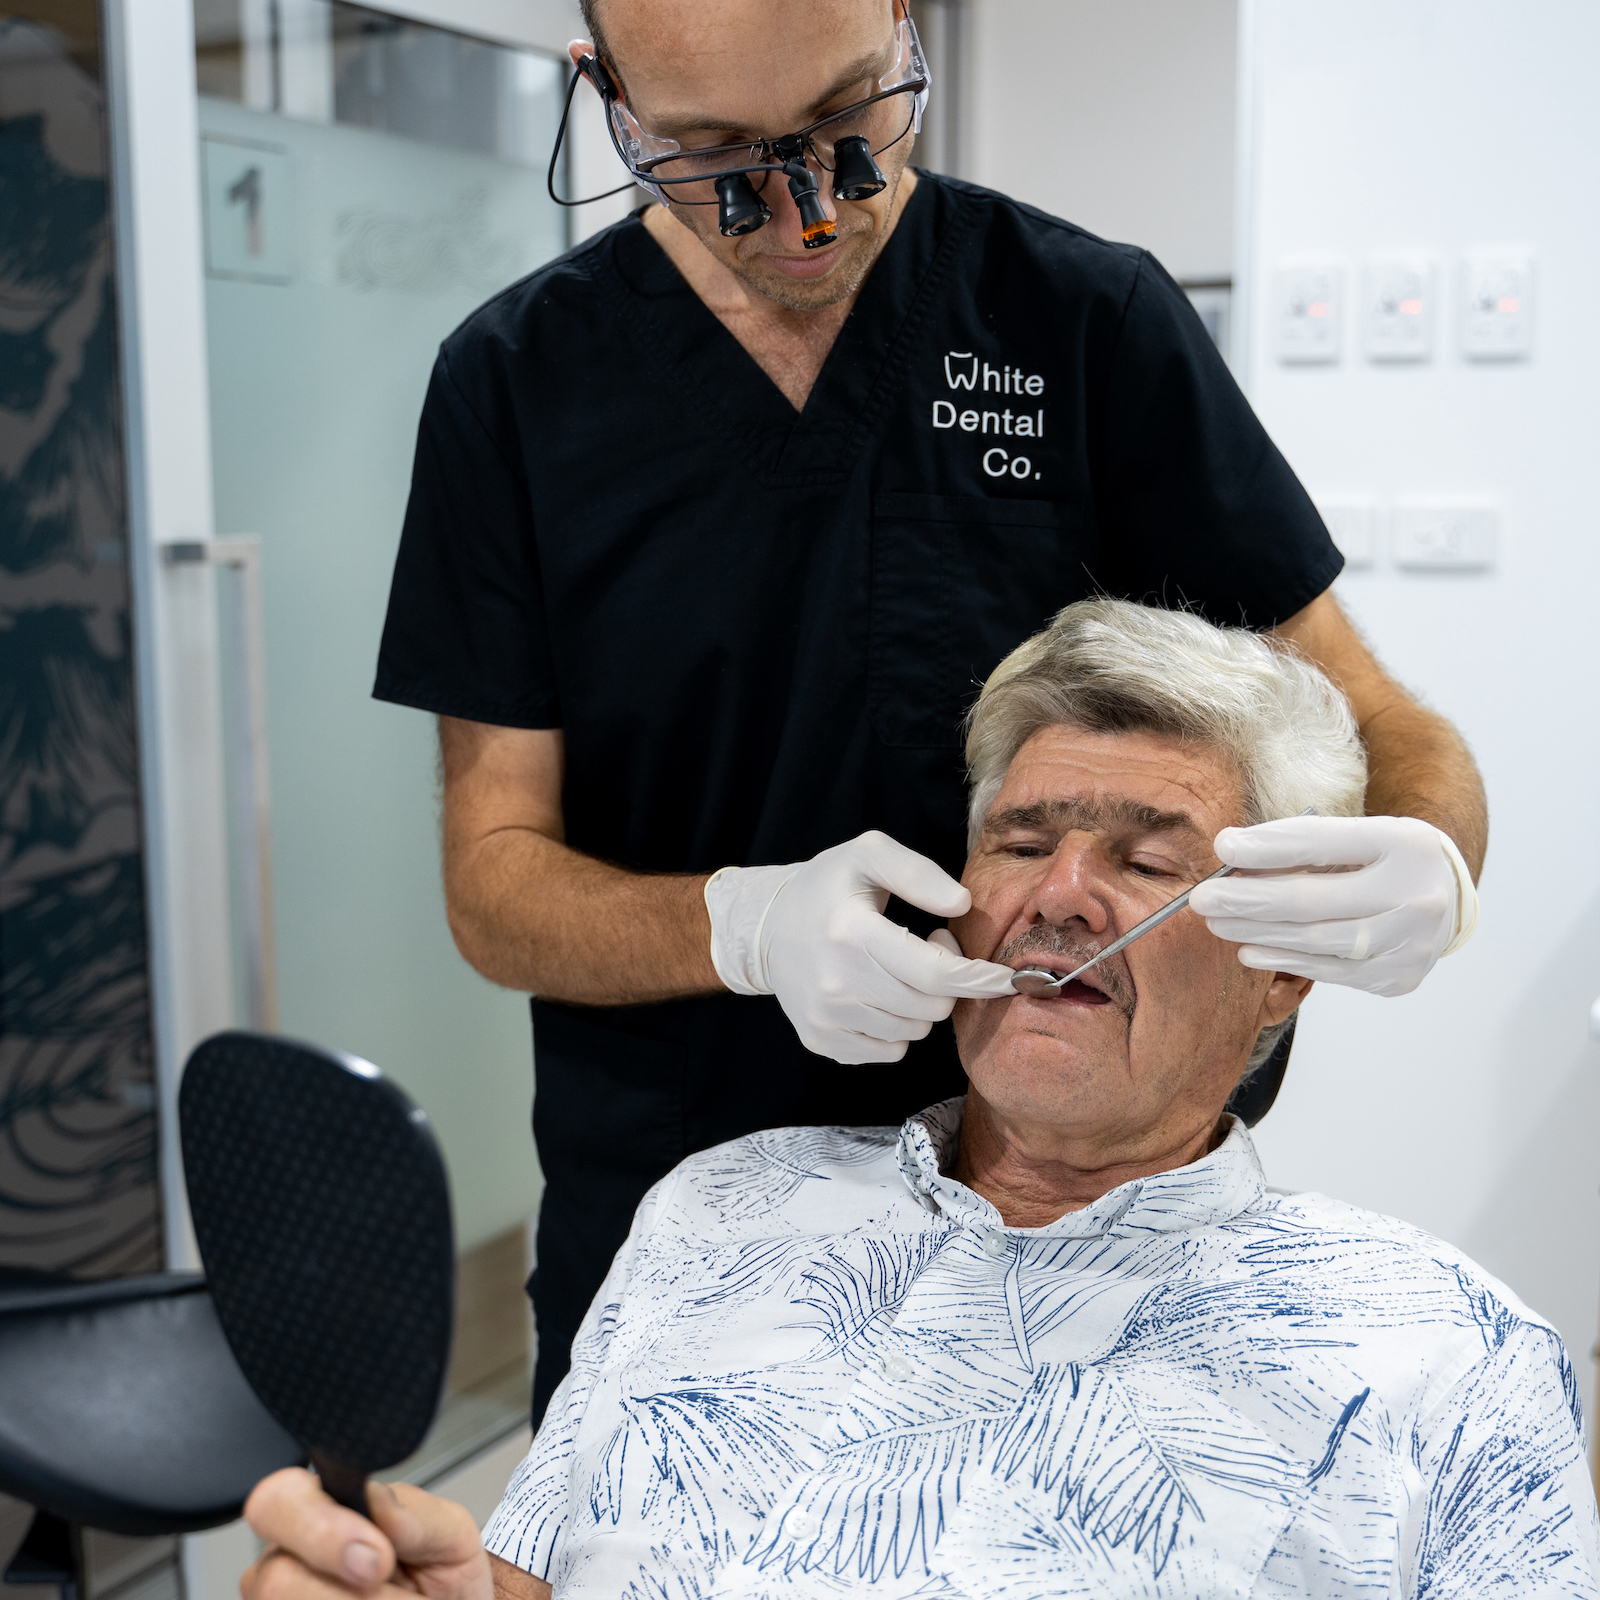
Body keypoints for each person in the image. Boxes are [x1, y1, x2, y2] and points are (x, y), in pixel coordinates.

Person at [372, 0, 1489, 1418]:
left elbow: (1391, 729)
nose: (807, 214)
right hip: (689, 1214)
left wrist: (1433, 863)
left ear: (904, 23)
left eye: (851, 124)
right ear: (608, 103)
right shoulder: (517, 386)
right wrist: (742, 925)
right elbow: (494, 887)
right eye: (716, 156)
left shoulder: (1081, 323)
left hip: (1083, 1228)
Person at [248, 601, 1583, 1599]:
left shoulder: (1450, 1359)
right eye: (1019, 838)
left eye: (1146, 857)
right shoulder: (718, 1211)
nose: (1058, 891)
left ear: (1284, 975)